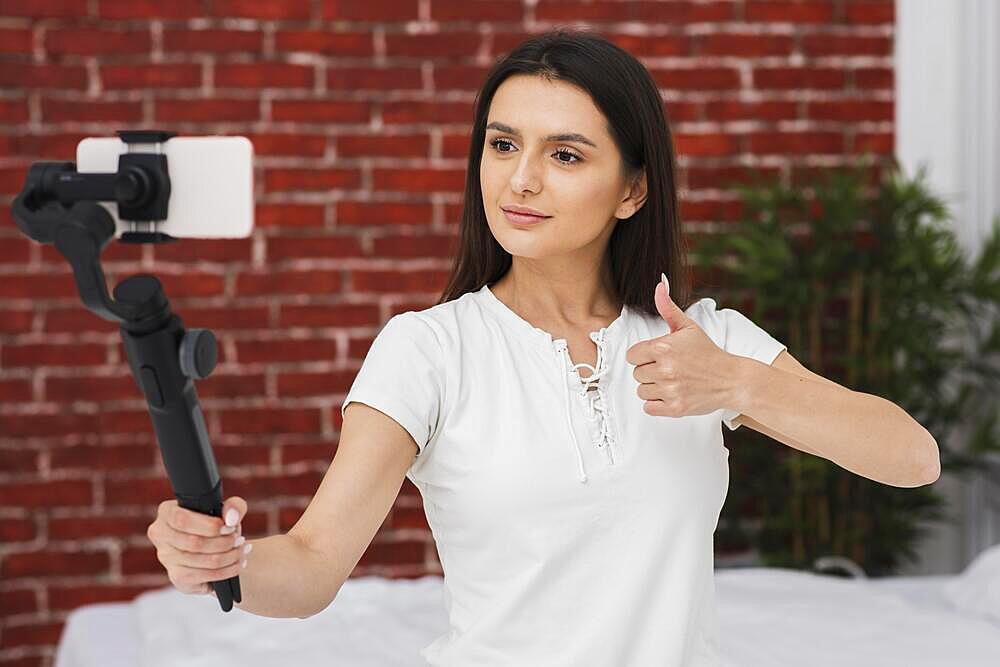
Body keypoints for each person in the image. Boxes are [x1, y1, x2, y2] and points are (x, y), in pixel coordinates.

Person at [146, 28, 940, 666]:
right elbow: (315, 564)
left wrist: (736, 383)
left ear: (633, 188)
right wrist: (223, 562)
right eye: (502, 144)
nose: (519, 180)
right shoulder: (428, 349)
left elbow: (911, 455)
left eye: (564, 154)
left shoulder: (703, 342)